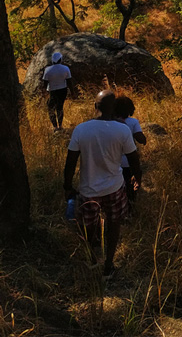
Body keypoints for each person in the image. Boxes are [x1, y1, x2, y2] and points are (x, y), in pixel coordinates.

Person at [63, 90, 142, 277]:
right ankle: (108, 264)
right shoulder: (122, 130)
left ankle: (91, 260)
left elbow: (71, 161)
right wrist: (137, 178)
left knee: (88, 226)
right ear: (113, 109)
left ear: (94, 106)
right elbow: (134, 159)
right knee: (114, 224)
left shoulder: (81, 129)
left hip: (88, 188)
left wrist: (67, 186)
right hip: (114, 186)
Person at [114, 95, 146, 205]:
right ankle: (131, 202)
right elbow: (139, 137)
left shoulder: (111, 123)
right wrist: (144, 139)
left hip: (113, 159)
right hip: (128, 160)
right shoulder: (133, 122)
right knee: (130, 183)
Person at [42, 50, 75, 130]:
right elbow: (69, 81)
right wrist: (72, 92)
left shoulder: (48, 70)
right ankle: (60, 125)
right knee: (59, 107)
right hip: (63, 90)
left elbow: (45, 83)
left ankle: (55, 126)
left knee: (51, 108)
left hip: (52, 91)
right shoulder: (65, 68)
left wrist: (44, 94)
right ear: (60, 59)